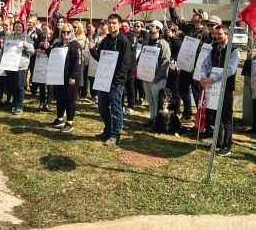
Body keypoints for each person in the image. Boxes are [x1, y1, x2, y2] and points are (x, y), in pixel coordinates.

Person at [89, 13, 132, 146]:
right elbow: (100, 58)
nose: (111, 25)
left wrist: (117, 81)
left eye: (114, 23)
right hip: (103, 79)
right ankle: (107, 130)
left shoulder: (124, 42)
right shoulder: (106, 40)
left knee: (116, 108)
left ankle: (115, 134)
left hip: (115, 82)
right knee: (102, 106)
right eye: (110, 23)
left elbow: (125, 64)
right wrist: (92, 50)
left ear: (119, 25)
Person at [200, 25, 239, 156]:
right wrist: (204, 76)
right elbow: (205, 64)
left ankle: (227, 146)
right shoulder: (214, 49)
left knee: (226, 117)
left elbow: (231, 70)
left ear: (227, 34)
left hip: (226, 87)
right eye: (215, 34)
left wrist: (214, 78)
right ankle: (217, 142)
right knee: (215, 116)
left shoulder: (234, 51)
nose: (216, 36)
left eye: (220, 34)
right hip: (213, 88)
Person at [44, 23, 82, 132]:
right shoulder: (58, 44)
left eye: (68, 32)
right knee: (60, 98)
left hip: (71, 77)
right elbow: (52, 57)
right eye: (64, 32)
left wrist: (73, 76)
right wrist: (47, 49)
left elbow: (77, 62)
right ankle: (59, 118)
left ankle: (69, 122)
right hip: (59, 76)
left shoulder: (75, 45)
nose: (66, 34)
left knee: (70, 99)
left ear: (72, 33)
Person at [140, 20, 170, 127]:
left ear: (158, 29)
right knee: (150, 101)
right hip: (147, 76)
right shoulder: (146, 42)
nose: (150, 27)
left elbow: (165, 61)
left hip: (158, 78)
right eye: (150, 25)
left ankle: (159, 122)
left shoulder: (163, 44)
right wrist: (142, 73)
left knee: (158, 101)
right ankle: (152, 119)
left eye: (153, 26)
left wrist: (158, 76)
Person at [4, 21, 34, 115]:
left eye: (20, 27)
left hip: (21, 66)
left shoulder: (26, 38)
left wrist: (27, 45)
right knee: (12, 86)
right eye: (16, 26)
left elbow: (32, 51)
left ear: (23, 28)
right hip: (10, 65)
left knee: (19, 86)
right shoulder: (9, 37)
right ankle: (14, 104)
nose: (18, 28)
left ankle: (19, 106)